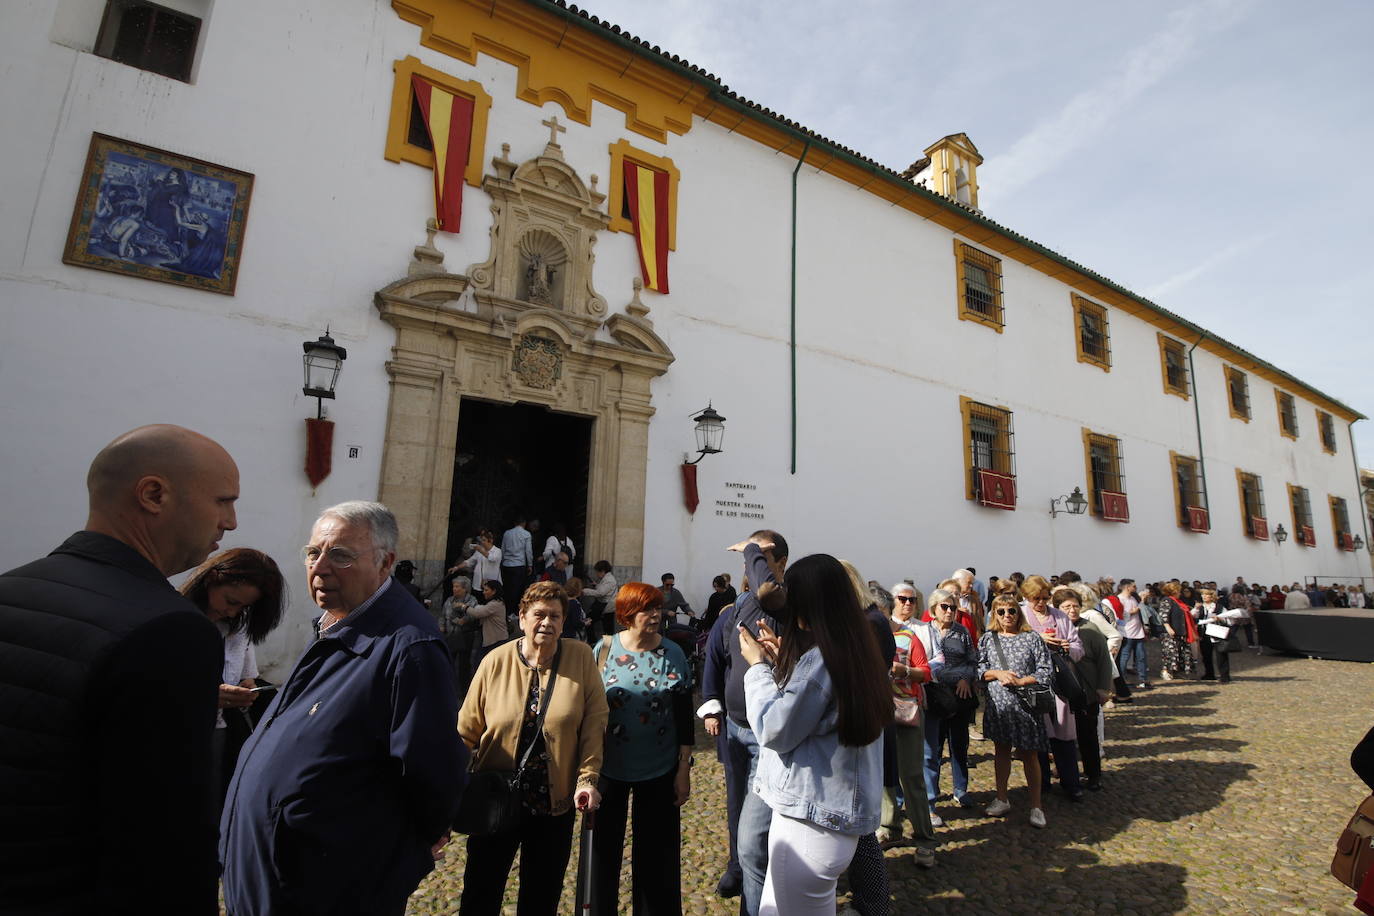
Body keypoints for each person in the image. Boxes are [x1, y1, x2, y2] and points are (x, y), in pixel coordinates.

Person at [0, 424, 236, 914]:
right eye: (222, 501)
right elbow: (163, 841)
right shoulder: (169, 630)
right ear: (153, 494)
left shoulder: (11, 589)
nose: (230, 522)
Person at [220, 501, 467, 916]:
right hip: (276, 880)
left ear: (385, 563)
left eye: (340, 555)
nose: (320, 567)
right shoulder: (338, 623)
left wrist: (394, 858)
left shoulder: (408, 648)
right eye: (313, 552)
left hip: (325, 887)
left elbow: (433, 775)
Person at [738, 554, 890, 915]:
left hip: (811, 823)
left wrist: (759, 669)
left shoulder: (823, 660)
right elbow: (816, 715)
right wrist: (785, 669)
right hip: (827, 822)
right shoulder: (856, 648)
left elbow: (775, 728)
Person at [458, 581, 608, 915]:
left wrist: (587, 779)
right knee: (481, 893)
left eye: (555, 615)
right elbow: (466, 730)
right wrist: (448, 788)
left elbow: (594, 723)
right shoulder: (495, 661)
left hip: (551, 803)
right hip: (495, 800)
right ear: (522, 618)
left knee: (541, 898)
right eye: (539, 614)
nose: (547, 622)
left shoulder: (581, 658)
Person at [591, 583, 695, 915]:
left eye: (657, 608)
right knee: (602, 856)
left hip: (660, 768)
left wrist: (683, 770)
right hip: (608, 769)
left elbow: (684, 719)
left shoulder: (673, 654)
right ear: (627, 614)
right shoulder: (604, 651)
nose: (655, 615)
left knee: (657, 858)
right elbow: (589, 710)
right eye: (646, 609)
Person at [699, 531, 788, 911]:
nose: (750, 566)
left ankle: (762, 870)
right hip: (735, 726)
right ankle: (739, 865)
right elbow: (715, 661)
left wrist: (752, 549)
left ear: (779, 562)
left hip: (771, 732)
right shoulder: (735, 610)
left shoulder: (788, 605)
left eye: (761, 558)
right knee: (737, 801)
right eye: (749, 560)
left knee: (764, 810)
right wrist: (711, 706)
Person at [178, 547, 287, 801]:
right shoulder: (174, 620)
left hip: (220, 733)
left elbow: (245, 676)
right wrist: (201, 696)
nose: (232, 612)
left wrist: (245, 691)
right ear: (211, 580)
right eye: (231, 601)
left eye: (243, 607)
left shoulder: (237, 628)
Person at [978, 595, 1053, 828]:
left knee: (1029, 754)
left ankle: (1036, 805)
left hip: (1026, 705)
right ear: (994, 615)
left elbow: (1045, 670)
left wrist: (1022, 682)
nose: (1007, 616)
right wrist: (997, 674)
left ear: (1018, 613)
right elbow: (980, 668)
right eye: (1001, 612)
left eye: (1011, 611)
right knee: (1001, 751)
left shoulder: (1032, 638)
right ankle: (1001, 797)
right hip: (999, 706)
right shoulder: (988, 639)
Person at [881, 582, 938, 869]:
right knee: (883, 776)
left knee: (912, 777)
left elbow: (925, 673)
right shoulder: (863, 638)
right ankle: (890, 828)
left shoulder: (907, 637)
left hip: (905, 714)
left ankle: (925, 839)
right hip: (877, 717)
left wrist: (904, 671)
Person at [1020, 575, 1084, 800]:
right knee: (1038, 735)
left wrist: (1067, 647)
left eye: (1045, 598)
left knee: (1063, 735)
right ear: (1027, 597)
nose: (1041, 602)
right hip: (1033, 682)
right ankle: (1041, 783)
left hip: (1059, 682)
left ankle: (1071, 783)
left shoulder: (1059, 616)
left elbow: (1078, 645)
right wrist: (1040, 640)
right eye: (1036, 598)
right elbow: (1013, 643)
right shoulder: (1021, 616)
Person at [925, 589, 978, 815]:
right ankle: (932, 794)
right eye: (944, 607)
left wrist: (966, 678)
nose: (949, 611)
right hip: (935, 695)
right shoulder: (924, 631)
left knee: (959, 743)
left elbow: (974, 660)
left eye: (953, 608)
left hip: (959, 695)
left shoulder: (962, 632)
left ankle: (961, 789)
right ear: (933, 609)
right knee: (934, 746)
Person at [1055, 588, 1113, 791]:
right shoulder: (1054, 628)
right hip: (1061, 693)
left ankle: (1093, 774)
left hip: (1085, 691)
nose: (1072, 610)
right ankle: (1066, 772)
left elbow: (1104, 661)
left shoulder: (1089, 629)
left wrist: (1103, 688)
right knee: (1062, 737)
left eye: (1075, 606)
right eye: (1066, 606)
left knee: (1087, 737)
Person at [1109, 579, 1151, 689]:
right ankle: (1122, 680)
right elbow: (1118, 616)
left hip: (1138, 632)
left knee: (1141, 657)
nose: (1135, 588)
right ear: (1127, 587)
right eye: (1134, 586)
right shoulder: (1119, 599)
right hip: (1126, 632)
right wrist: (1131, 613)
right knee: (1124, 657)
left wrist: (1142, 601)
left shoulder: (1133, 598)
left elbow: (1141, 611)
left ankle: (1143, 679)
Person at [1197, 590, 1244, 684]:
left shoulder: (1219, 607)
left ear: (1212, 596)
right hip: (1204, 634)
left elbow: (1230, 621)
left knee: (1221, 655)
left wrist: (1220, 618)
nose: (1204, 596)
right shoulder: (1200, 607)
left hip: (1217, 633)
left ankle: (1225, 676)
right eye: (1203, 595)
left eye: (1206, 594)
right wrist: (1195, 609)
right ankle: (1209, 674)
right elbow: (1193, 617)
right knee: (1206, 656)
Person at [443, 575, 479, 691]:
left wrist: (460, 619)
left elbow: (470, 617)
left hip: (465, 636)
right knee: (448, 661)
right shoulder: (449, 600)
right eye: (454, 586)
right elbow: (443, 615)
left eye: (457, 587)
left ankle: (464, 689)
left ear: (465, 589)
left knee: (464, 664)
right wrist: (442, 625)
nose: (454, 589)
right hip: (450, 635)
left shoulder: (472, 600)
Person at [1159, 581, 1198, 680]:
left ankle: (1177, 671)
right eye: (1179, 590)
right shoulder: (1167, 600)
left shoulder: (1179, 602)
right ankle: (1165, 671)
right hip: (1170, 632)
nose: (1180, 593)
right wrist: (1168, 627)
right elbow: (1163, 614)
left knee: (1181, 652)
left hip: (1181, 631)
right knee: (1170, 652)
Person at [469, 579, 509, 669]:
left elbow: (478, 613)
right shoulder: (495, 603)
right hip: (490, 639)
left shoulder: (496, 604)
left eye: (486, 590)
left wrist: (464, 607)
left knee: (483, 665)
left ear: (494, 591)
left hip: (496, 640)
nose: (484, 592)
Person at [501, 516, 535, 608]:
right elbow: (528, 551)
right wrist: (530, 565)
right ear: (524, 523)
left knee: (507, 588)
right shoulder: (526, 534)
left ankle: (506, 609)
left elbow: (503, 549)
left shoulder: (507, 533)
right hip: (519, 565)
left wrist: (502, 561)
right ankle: (513, 611)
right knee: (517, 589)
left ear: (514, 523)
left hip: (507, 565)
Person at [582, 560, 618, 644]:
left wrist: (585, 591)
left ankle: (594, 642)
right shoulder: (607, 579)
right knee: (607, 628)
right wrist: (596, 585)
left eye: (597, 572)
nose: (596, 574)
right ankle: (605, 644)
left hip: (605, 606)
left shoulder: (609, 580)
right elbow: (603, 589)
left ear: (602, 571)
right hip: (605, 606)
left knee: (590, 621)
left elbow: (601, 593)